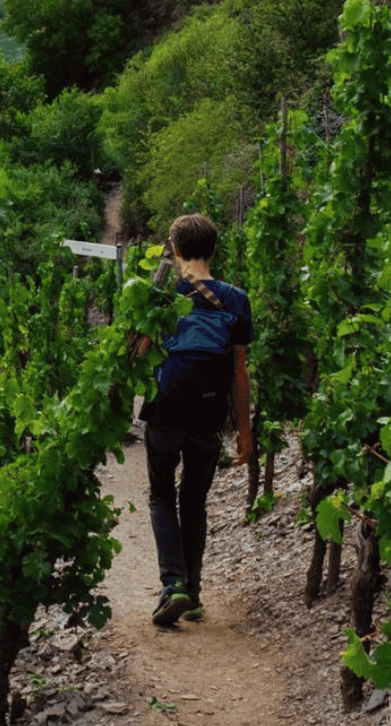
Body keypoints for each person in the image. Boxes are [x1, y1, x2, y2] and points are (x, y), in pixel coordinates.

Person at [140, 213, 253, 627]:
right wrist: (245, 430)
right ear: (214, 249)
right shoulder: (236, 299)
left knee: (160, 496)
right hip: (209, 414)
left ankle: (174, 586)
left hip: (166, 408)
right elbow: (240, 373)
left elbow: (136, 352)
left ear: (175, 249)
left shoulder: (161, 292)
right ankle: (195, 592)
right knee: (194, 501)